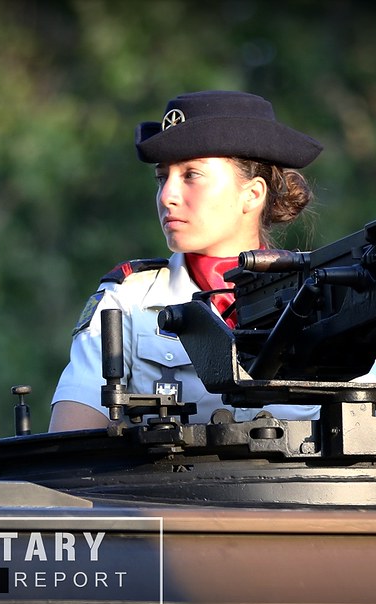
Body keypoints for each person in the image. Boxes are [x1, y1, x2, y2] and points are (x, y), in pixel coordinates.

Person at [49, 90, 335, 432]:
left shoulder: (328, 299)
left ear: (253, 194)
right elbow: (72, 450)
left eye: (191, 176)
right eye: (162, 177)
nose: (167, 196)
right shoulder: (126, 302)